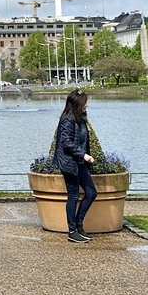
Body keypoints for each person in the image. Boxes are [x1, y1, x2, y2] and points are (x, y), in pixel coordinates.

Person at [52, 88, 97, 243]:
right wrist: (84, 155)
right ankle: (72, 231)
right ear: (77, 104)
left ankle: (79, 225)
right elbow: (66, 142)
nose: (87, 105)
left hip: (80, 162)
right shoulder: (67, 119)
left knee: (91, 193)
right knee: (73, 196)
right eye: (84, 103)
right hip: (70, 162)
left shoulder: (80, 118)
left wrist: (84, 156)